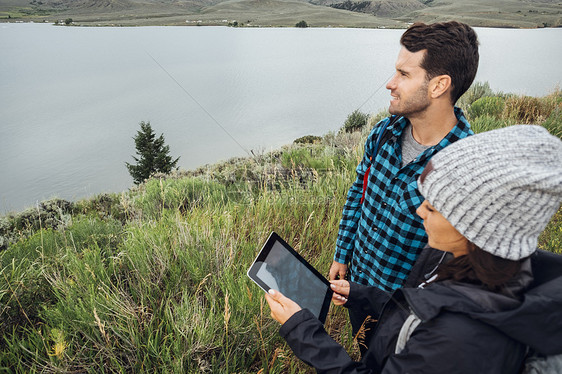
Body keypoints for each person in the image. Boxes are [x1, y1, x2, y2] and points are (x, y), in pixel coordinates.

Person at [266, 125, 562, 373]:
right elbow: (417, 309)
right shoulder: (453, 258)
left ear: (475, 228)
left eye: (432, 207)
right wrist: (361, 294)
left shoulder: (459, 343)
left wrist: (301, 330)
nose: (420, 211)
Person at [330, 21, 479, 336]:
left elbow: (458, 268)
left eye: (404, 74)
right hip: (358, 285)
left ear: (438, 85)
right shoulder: (384, 132)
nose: (390, 83)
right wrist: (343, 253)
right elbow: (359, 192)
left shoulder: (465, 168)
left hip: (407, 313)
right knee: (365, 355)